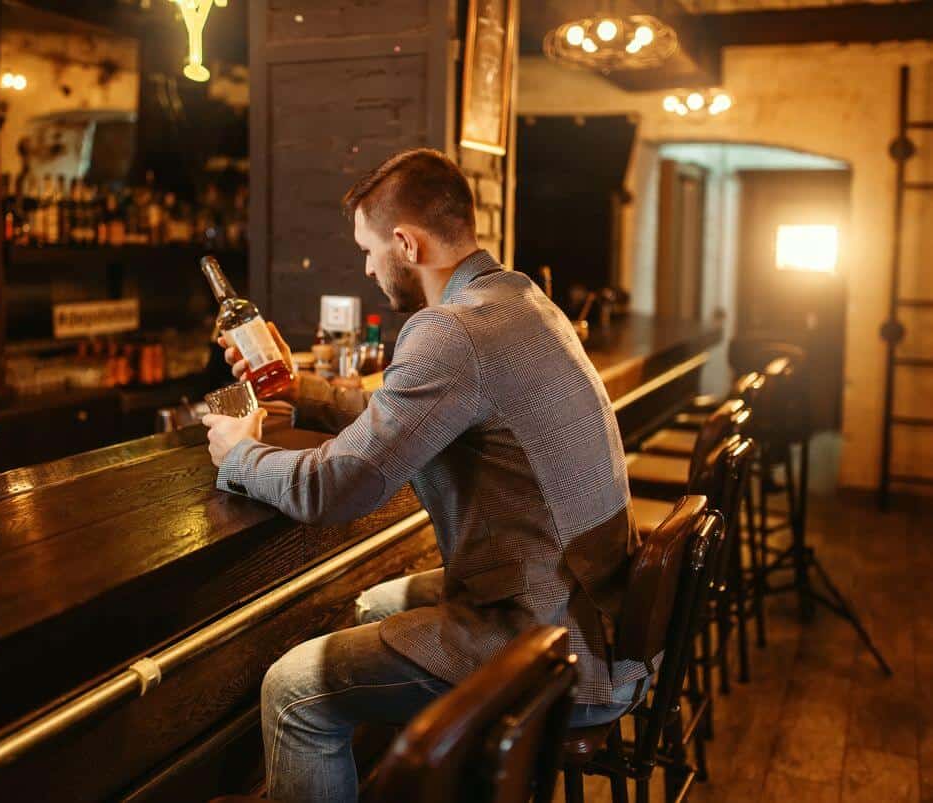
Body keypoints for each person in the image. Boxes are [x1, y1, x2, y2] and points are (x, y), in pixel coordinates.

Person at [203, 148, 645, 803]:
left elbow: (341, 487)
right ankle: (409, 775)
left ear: (405, 243)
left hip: (553, 650)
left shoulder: (448, 329)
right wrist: (299, 389)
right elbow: (412, 412)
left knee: (291, 689)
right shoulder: (519, 298)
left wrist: (238, 453)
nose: (366, 265)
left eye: (368, 249)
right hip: (597, 616)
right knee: (377, 603)